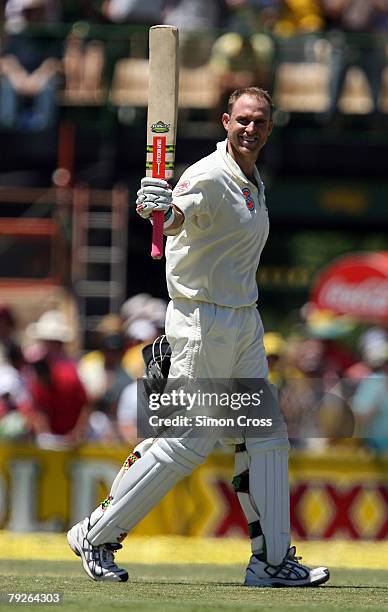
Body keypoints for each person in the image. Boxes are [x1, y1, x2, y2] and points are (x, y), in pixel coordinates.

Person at [67, 87, 330, 587]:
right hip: (202, 320)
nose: (251, 129)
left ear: (270, 128)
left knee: (267, 438)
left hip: (244, 320)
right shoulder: (206, 175)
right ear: (225, 121)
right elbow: (177, 217)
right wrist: (160, 210)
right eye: (243, 121)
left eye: (260, 122)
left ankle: (271, 562)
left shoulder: (251, 180)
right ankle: (95, 533)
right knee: (189, 440)